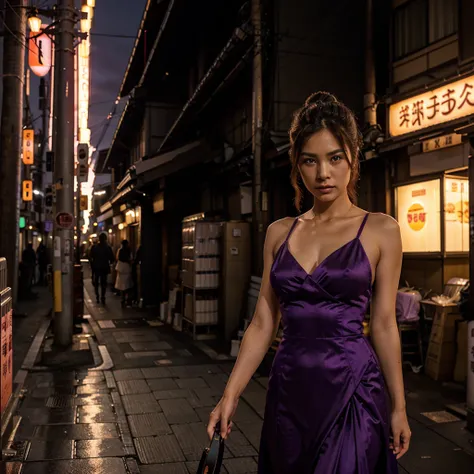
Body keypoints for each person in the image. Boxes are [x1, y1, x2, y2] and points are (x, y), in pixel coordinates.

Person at [207, 92, 410, 473]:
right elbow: (264, 322)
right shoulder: (278, 233)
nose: (323, 174)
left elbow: (384, 323)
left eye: (335, 158)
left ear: (352, 155)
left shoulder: (382, 229)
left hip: (354, 387)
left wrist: (399, 406)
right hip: (289, 391)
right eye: (310, 161)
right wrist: (230, 395)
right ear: (297, 166)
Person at [89, 233, 114, 304]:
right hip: (104, 267)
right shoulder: (107, 248)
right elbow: (111, 258)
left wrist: (92, 266)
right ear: (105, 239)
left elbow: (91, 257)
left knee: (96, 282)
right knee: (103, 283)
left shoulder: (94, 247)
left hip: (96, 267)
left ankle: (97, 296)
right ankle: (103, 296)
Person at [115, 240, 133, 307]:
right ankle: (128, 299)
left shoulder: (119, 251)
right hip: (127, 268)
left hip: (120, 268)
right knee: (128, 285)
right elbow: (131, 259)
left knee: (121, 286)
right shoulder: (129, 251)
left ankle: (122, 299)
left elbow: (117, 258)